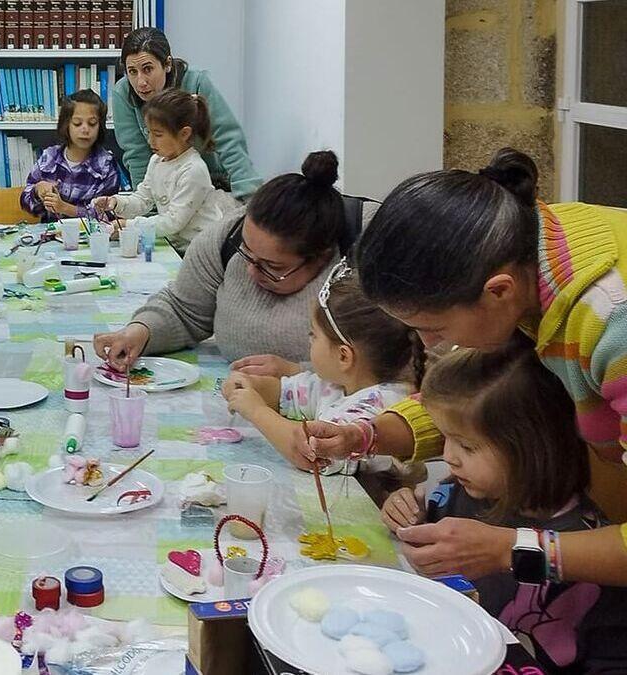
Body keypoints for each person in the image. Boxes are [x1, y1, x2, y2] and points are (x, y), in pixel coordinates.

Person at [302, 148, 627, 587]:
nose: (430, 345)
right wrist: (365, 436)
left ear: (499, 292)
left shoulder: (611, 321)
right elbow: (475, 397)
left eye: (432, 327)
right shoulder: (524, 252)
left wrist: (510, 549)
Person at [381, 344, 627, 672]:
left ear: (534, 448)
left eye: (467, 445)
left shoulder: (590, 552)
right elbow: (426, 536)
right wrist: (404, 508)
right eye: (445, 438)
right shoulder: (456, 492)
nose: (449, 456)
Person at [94, 151, 371, 372]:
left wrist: (298, 375)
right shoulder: (226, 236)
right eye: (246, 252)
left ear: (321, 257)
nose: (251, 270)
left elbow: (399, 370)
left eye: (272, 267)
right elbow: (184, 308)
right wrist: (140, 332)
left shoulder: (368, 254)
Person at [225, 261, 420, 471]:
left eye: (314, 335)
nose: (309, 341)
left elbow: (310, 455)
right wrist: (248, 386)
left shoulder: (376, 407)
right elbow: (284, 394)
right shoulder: (335, 385)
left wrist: (256, 411)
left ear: (344, 356)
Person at [110, 27, 260, 198]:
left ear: (167, 64)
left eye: (148, 69)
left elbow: (228, 139)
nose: (140, 82)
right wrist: (146, 210)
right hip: (166, 190)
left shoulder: (196, 82)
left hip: (211, 185)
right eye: (132, 72)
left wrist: (248, 197)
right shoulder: (122, 93)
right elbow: (137, 156)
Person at [92, 88, 226, 255]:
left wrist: (130, 225)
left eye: (158, 134)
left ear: (184, 134)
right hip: (173, 245)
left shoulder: (193, 170)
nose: (150, 141)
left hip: (202, 251)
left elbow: (173, 221)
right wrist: (116, 202)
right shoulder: (157, 160)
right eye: (149, 133)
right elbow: (143, 199)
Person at [20, 89, 120, 222]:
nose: (85, 129)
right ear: (66, 125)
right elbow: (25, 202)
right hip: (51, 237)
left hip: (90, 239)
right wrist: (38, 190)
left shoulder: (106, 165)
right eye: (77, 123)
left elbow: (109, 214)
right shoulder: (49, 157)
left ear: (100, 127)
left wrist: (66, 208)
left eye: (92, 123)